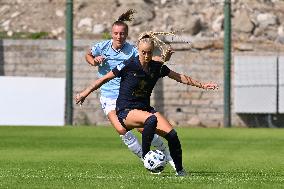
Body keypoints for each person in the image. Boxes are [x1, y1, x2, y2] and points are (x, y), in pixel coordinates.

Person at [75, 33, 218, 176]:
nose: (146, 55)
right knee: (151, 119)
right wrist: (84, 93)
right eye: (143, 52)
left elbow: (180, 77)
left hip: (145, 109)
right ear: (138, 50)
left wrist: (203, 85)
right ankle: (146, 157)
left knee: (172, 135)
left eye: (149, 52)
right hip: (125, 111)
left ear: (153, 51)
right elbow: (103, 79)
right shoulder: (128, 65)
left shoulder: (158, 67)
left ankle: (180, 171)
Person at [84, 9, 176, 169]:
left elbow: (150, 59)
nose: (119, 36)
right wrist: (94, 61)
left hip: (127, 97)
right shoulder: (101, 46)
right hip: (109, 97)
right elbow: (88, 55)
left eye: (122, 33)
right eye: (116, 33)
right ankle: (147, 160)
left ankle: (166, 155)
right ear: (111, 34)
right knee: (121, 130)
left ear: (126, 34)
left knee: (143, 128)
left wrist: (164, 58)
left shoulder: (132, 50)